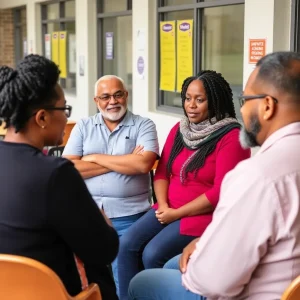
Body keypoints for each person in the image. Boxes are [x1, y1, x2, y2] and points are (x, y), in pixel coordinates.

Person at [128, 51, 300, 300]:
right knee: (158, 260)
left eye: (245, 100)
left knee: (142, 282)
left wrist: (201, 254)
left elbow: (212, 283)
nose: (242, 110)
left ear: (267, 106)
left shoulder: (258, 176)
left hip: (245, 289)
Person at [118, 70, 250, 300]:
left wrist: (175, 213)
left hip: (203, 214)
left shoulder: (232, 136)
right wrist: (163, 205)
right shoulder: (180, 130)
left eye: (200, 100)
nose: (191, 105)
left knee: (153, 253)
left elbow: (221, 192)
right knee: (126, 244)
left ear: (215, 100)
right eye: (188, 98)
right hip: (167, 208)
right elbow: (161, 173)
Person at [0, 55, 119, 300]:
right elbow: (104, 250)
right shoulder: (55, 173)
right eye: (64, 109)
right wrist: (103, 220)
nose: (66, 119)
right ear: (42, 118)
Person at [62, 75, 159, 294]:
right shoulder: (84, 126)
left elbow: (143, 164)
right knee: (89, 280)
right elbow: (68, 169)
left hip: (130, 219)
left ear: (126, 95)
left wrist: (92, 157)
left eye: (117, 95)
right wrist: (125, 161)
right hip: (88, 215)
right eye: (105, 97)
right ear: (96, 101)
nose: (112, 101)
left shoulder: (143, 125)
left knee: (122, 283)